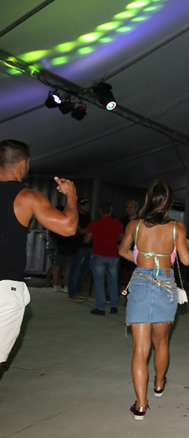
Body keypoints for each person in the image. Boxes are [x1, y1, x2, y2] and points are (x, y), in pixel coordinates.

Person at [0, 139, 77, 370]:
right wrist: (71, 196)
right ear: (23, 164)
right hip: (4, 288)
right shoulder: (28, 197)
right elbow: (68, 227)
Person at [118, 180, 189, 421]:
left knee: (140, 349)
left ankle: (141, 405)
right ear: (169, 203)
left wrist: (140, 260)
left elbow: (121, 251)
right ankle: (159, 384)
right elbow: (186, 260)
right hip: (165, 285)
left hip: (140, 282)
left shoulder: (135, 225)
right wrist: (186, 245)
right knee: (161, 343)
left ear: (148, 199)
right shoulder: (177, 228)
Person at [85, 203, 124, 315]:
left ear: (100, 211)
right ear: (111, 211)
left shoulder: (95, 223)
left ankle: (100, 307)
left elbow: (87, 240)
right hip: (113, 255)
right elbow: (120, 237)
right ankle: (114, 305)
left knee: (99, 282)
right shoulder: (118, 224)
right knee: (113, 281)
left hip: (98, 254)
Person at [68, 198, 93, 300]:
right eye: (84, 205)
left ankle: (79, 290)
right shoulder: (76, 216)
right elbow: (77, 231)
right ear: (79, 206)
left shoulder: (88, 216)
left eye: (87, 205)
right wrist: (89, 228)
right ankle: (72, 293)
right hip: (78, 247)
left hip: (88, 247)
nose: (86, 207)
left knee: (84, 271)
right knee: (74, 271)